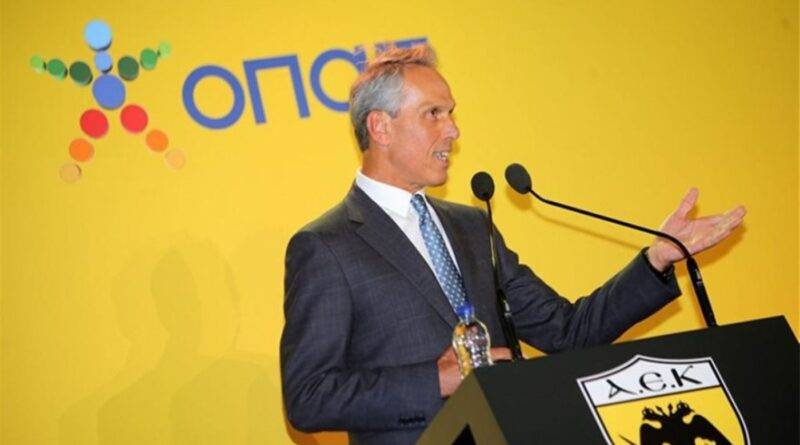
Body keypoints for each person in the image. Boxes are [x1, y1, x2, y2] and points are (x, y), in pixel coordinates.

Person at [279, 45, 746, 445]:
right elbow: (308, 397)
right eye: (434, 114)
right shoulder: (326, 246)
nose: (453, 131)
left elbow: (567, 331)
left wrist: (657, 258)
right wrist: (436, 380)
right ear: (381, 128)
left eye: (451, 113)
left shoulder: (470, 226)